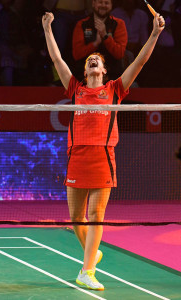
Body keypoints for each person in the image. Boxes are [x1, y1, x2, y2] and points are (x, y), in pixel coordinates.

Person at [42, 11, 165, 290]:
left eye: (96, 60)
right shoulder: (74, 89)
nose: (92, 60)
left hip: (102, 157)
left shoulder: (115, 89)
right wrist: (48, 30)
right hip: (77, 157)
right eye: (88, 61)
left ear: (104, 70)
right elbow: (57, 60)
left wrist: (155, 33)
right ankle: (91, 252)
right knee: (76, 218)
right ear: (85, 71)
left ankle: (87, 271)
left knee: (96, 216)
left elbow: (140, 62)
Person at [72, 0, 128, 81]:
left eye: (106, 3)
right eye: (100, 2)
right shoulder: (82, 24)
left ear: (111, 5)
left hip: (112, 76)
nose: (103, 5)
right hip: (85, 76)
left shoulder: (119, 23)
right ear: (93, 3)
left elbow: (119, 53)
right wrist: (95, 43)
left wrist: (105, 36)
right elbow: (76, 55)